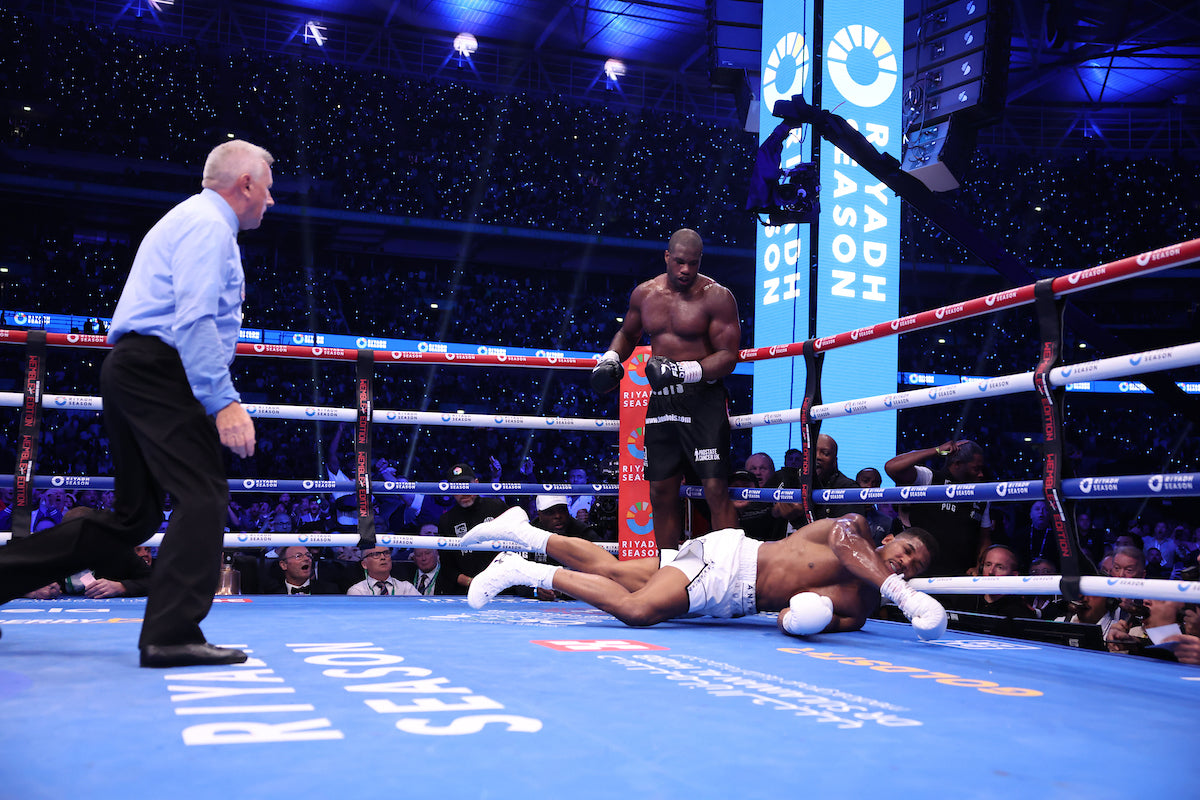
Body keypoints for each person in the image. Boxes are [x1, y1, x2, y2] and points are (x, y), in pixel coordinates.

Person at [0, 139, 273, 667]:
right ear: (244, 184)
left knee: (133, 519)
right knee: (203, 496)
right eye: (267, 186)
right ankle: (171, 634)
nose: (271, 199)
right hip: (158, 369)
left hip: (138, 369)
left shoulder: (196, 220)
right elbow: (193, 319)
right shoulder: (209, 225)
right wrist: (223, 402)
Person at [459, 507, 946, 640]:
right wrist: (900, 593)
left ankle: (520, 533)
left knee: (611, 570)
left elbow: (785, 622)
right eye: (906, 550)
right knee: (637, 610)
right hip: (732, 564)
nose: (905, 562)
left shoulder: (859, 610)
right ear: (888, 541)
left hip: (735, 598)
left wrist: (804, 620)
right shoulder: (853, 528)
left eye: (915, 565)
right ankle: (518, 569)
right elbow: (846, 546)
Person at [590, 228, 741, 552]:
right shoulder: (645, 294)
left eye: (694, 263)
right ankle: (668, 567)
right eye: (681, 262)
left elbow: (729, 356)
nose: (686, 270)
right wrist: (610, 359)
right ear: (667, 258)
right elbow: (628, 334)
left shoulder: (716, 296)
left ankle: (732, 570)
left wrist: (682, 370)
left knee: (715, 488)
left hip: (703, 398)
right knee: (660, 489)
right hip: (662, 399)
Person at [885, 438, 989, 577]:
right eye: (976, 468)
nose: (981, 474)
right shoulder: (930, 478)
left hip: (960, 578)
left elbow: (984, 539)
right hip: (921, 574)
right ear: (957, 464)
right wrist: (937, 450)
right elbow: (892, 467)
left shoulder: (982, 495)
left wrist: (979, 566)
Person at [436, 463, 509, 593]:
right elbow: (447, 566)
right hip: (466, 591)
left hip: (502, 587)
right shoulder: (446, 520)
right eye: (458, 487)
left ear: (476, 483)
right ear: (451, 491)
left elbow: (512, 549)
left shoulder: (496, 507)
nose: (463, 491)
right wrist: (473, 583)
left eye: (467, 485)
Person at [346, 547, 419, 596]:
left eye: (386, 553)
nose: (383, 557)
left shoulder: (406, 588)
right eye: (376, 554)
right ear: (364, 564)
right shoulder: (357, 591)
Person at [268, 546, 339, 595]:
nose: (306, 559)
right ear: (284, 565)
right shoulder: (270, 593)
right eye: (298, 556)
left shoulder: (330, 591)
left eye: (308, 555)